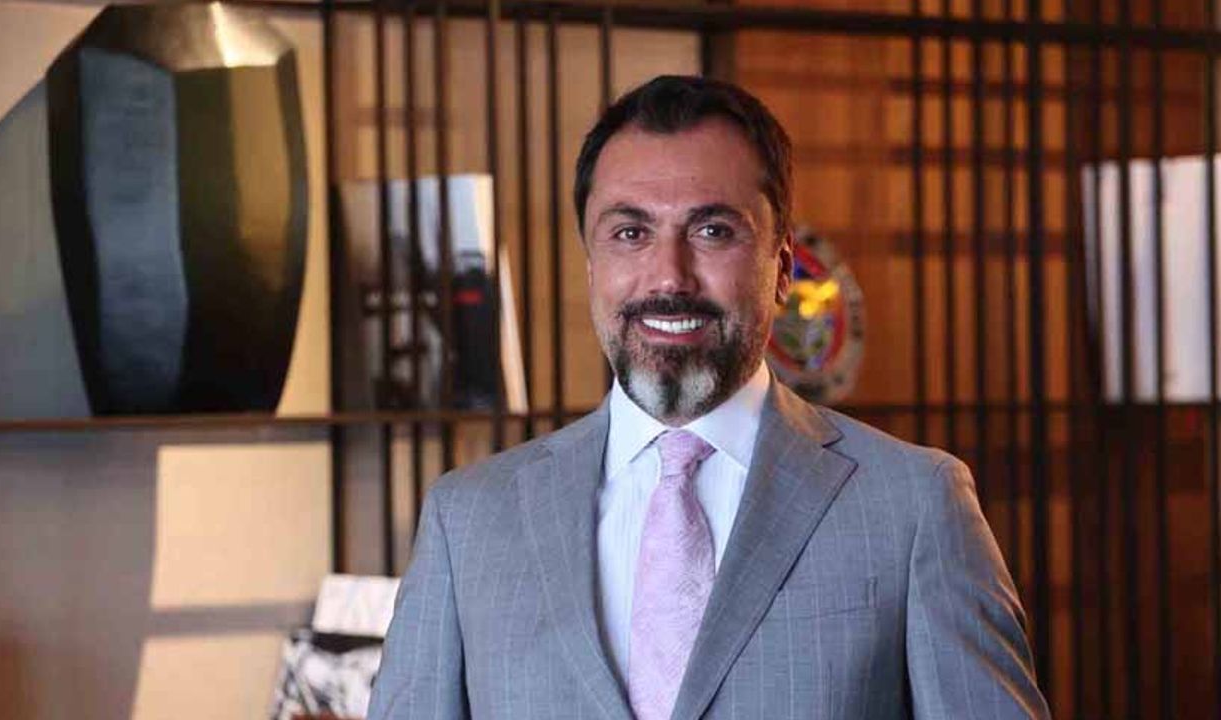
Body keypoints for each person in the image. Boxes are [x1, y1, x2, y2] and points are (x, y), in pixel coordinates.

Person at [367, 75, 1050, 720]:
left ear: (781, 267)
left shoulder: (915, 505)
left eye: (712, 231)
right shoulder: (468, 522)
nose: (669, 276)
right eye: (631, 233)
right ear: (592, 265)